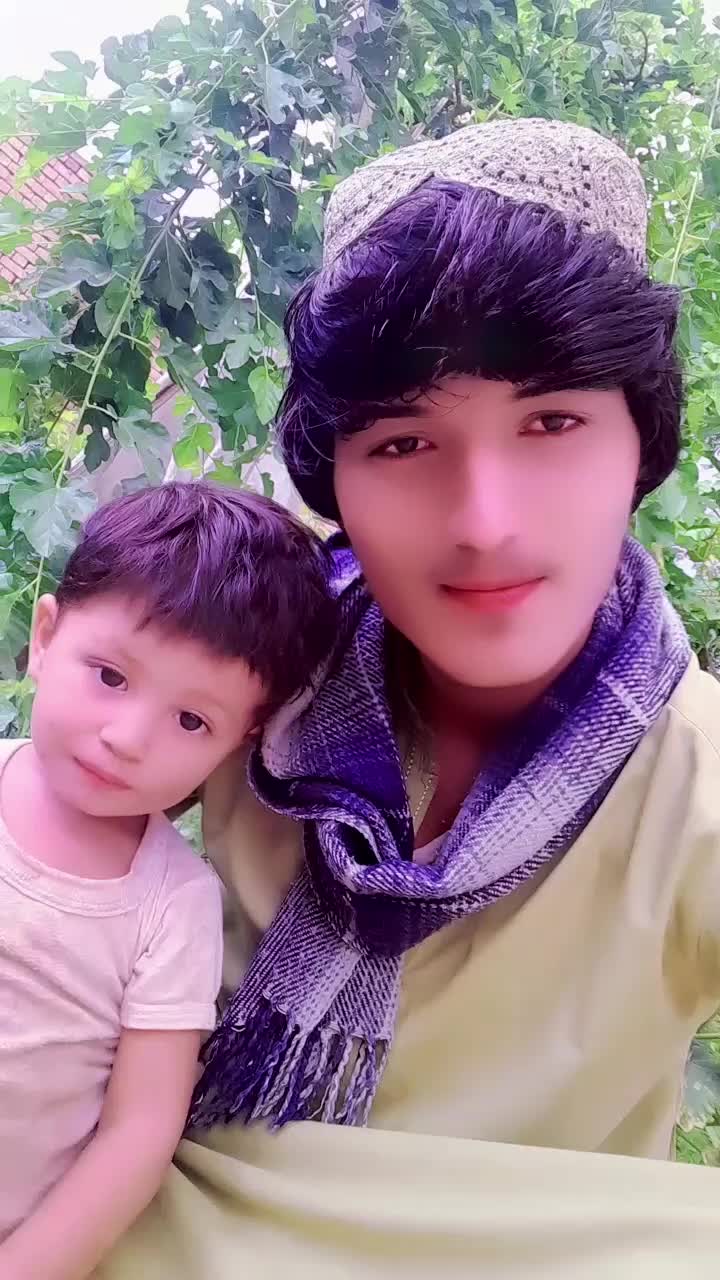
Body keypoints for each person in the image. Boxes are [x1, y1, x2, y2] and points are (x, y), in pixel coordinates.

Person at [98, 120, 720, 1279]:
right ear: (333, 479)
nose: (484, 519)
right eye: (401, 443)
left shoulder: (698, 788)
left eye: (552, 420)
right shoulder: (254, 683)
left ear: (642, 440)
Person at [0, 481, 335, 1280]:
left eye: (192, 721)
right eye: (110, 676)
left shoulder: (172, 903)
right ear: (45, 637)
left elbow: (138, 1133)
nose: (126, 738)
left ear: (237, 743)